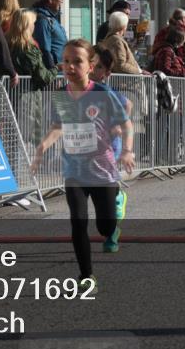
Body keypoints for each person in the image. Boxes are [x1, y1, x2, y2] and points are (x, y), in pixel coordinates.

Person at [31, 40, 135, 292]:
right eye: (66, 61)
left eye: (77, 61)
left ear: (91, 65)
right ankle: (86, 276)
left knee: (105, 227)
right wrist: (43, 147)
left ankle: (117, 204)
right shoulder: (62, 95)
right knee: (78, 222)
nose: (70, 66)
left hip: (103, 171)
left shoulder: (101, 93)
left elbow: (126, 123)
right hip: (75, 171)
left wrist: (128, 151)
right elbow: (59, 127)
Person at [6, 9, 56, 91]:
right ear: (27, 25)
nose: (34, 26)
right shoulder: (29, 48)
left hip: (5, 94)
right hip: (27, 98)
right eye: (34, 23)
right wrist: (57, 69)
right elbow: (43, 78)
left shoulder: (4, 44)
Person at [152, 8, 185, 76]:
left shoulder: (162, 32)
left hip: (162, 73)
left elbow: (154, 50)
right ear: (183, 19)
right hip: (183, 72)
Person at [32, 0, 68, 70]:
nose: (61, 3)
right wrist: (52, 72)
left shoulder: (51, 18)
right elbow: (44, 50)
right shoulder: (43, 20)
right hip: (54, 73)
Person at [100, 11, 144, 75]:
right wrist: (139, 71)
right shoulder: (117, 41)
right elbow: (121, 66)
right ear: (123, 26)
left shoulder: (109, 38)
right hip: (125, 82)